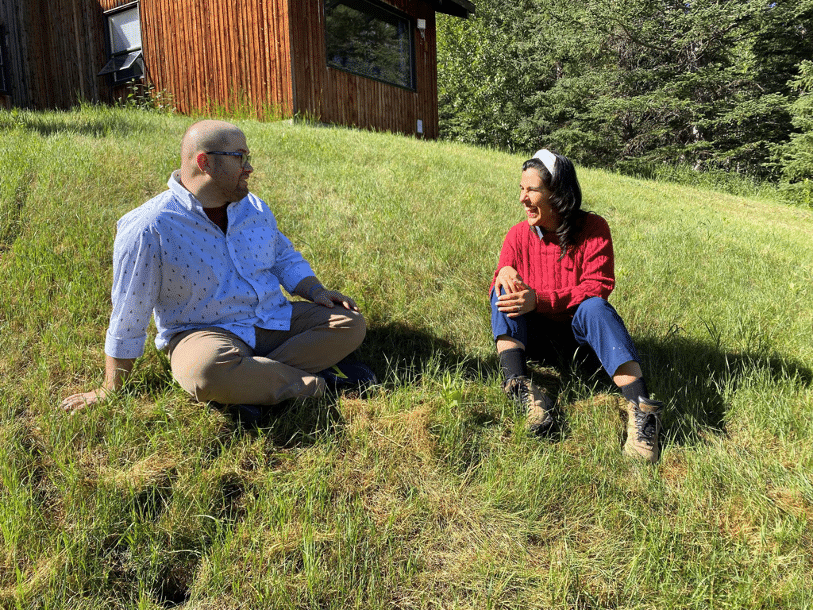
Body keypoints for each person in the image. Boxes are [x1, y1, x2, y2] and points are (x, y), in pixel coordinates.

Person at [60, 119, 369, 415]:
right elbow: (129, 313)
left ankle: (252, 385)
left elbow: (284, 257)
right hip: (203, 334)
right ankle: (318, 384)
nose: (249, 167)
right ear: (205, 162)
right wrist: (111, 387)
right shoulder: (149, 227)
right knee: (205, 372)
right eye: (240, 157)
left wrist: (316, 291)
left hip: (271, 318)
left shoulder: (256, 209)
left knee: (350, 322)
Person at [491, 148, 663, 462]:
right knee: (502, 288)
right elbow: (502, 287)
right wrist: (503, 272)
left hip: (580, 342)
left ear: (557, 194)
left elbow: (597, 287)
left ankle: (642, 411)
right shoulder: (517, 235)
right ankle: (520, 387)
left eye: (532, 190)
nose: (523, 198)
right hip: (536, 339)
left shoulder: (593, 228)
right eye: (521, 189)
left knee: (595, 307)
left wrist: (540, 300)